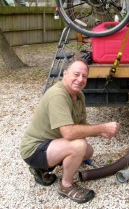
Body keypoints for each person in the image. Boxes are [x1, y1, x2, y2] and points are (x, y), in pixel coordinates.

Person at [20, 58, 120, 203]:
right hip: (34, 149)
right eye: (76, 74)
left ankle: (41, 169)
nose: (80, 79)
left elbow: (81, 124)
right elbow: (69, 133)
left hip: (50, 144)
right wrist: (102, 127)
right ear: (65, 74)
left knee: (87, 151)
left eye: (84, 76)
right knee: (78, 145)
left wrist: (99, 132)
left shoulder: (79, 95)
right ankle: (66, 185)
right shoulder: (58, 95)